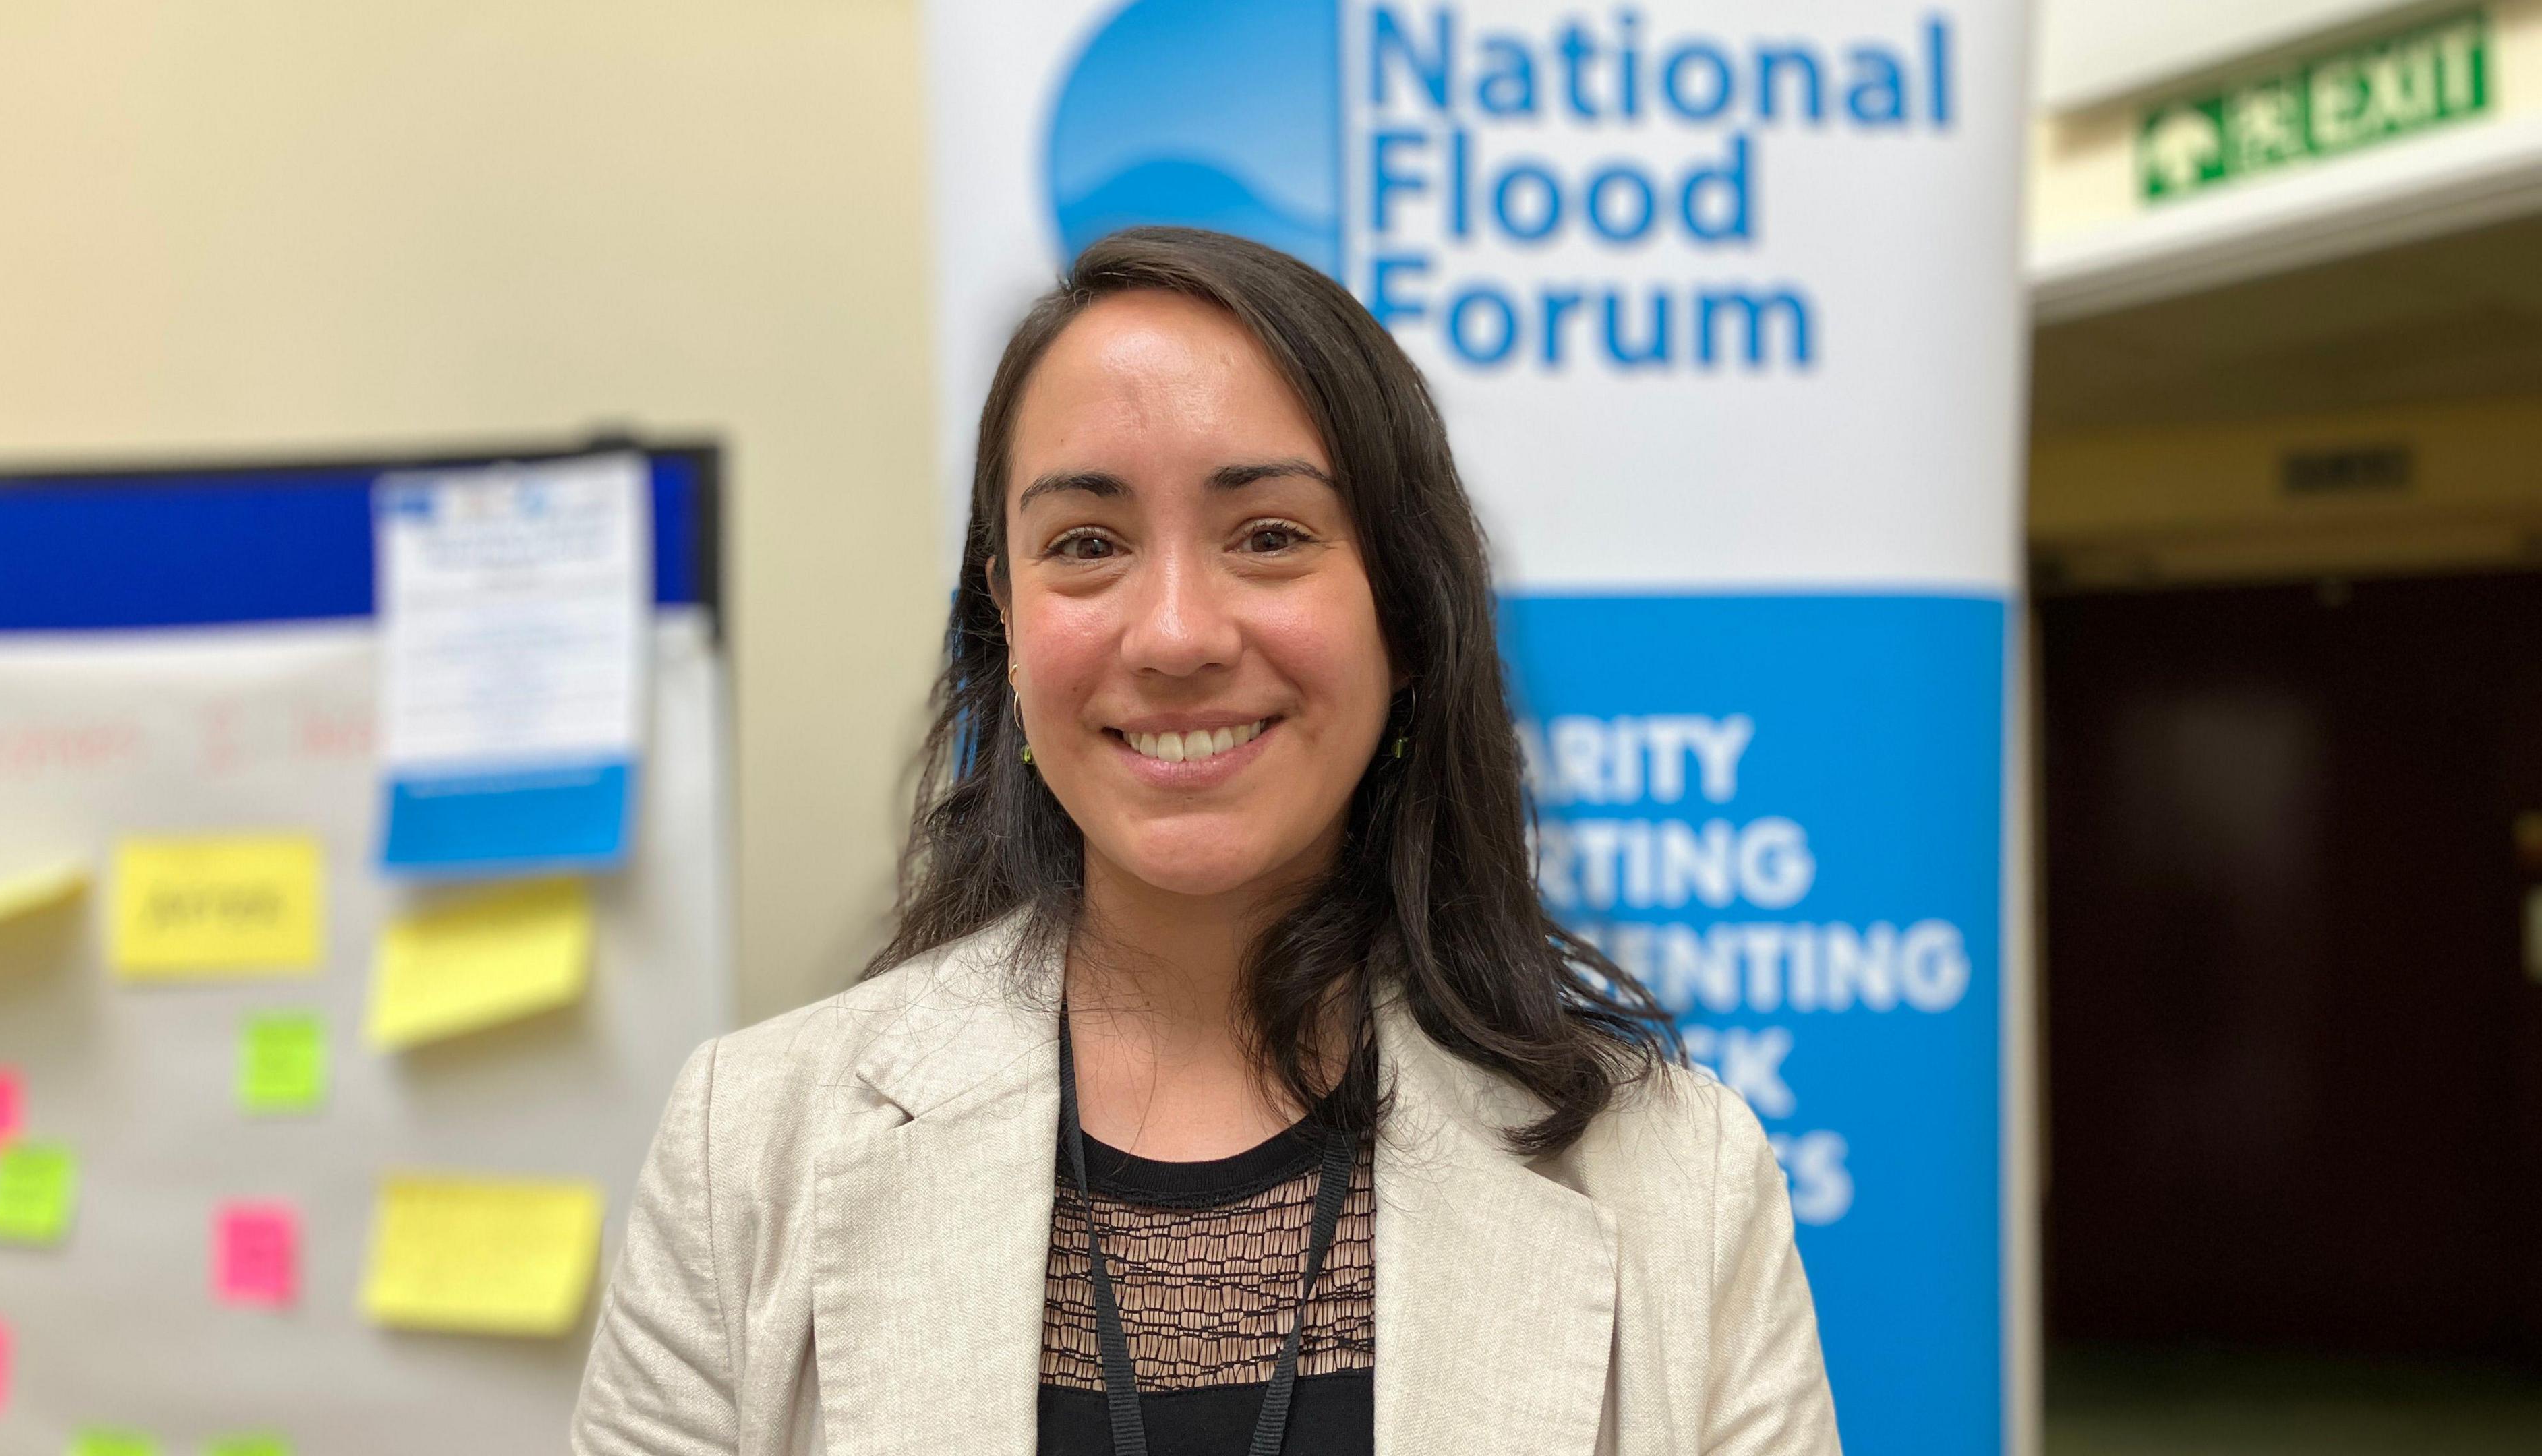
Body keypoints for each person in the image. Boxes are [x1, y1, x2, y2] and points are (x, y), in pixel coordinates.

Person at [571, 226, 1837, 1455]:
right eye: (1086, 545)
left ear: (1404, 609)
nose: (1175, 633)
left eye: (1271, 536)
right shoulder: (748, 1148)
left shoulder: (1679, 1178)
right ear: (1003, 621)